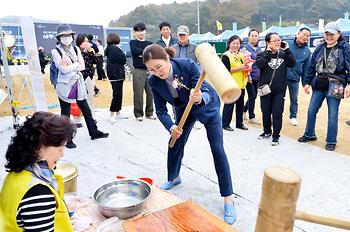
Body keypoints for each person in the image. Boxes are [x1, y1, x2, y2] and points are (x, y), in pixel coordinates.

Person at [143, 44, 237, 225]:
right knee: (175, 141)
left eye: (159, 67)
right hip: (182, 111)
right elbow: (161, 111)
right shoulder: (153, 81)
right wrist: (172, 127)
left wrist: (201, 98)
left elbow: (208, 91)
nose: (157, 72)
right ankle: (174, 177)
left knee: (217, 150)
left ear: (167, 59)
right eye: (151, 70)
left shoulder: (186, 65)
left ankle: (228, 198)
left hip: (206, 109)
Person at [0, 111, 76, 231]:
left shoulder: (18, 172)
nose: (62, 155)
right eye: (60, 149)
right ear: (38, 148)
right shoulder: (38, 193)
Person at [52, 23, 108, 149]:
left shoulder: (76, 49)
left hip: (78, 82)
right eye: (63, 35)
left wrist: (70, 66)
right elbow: (63, 70)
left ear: (72, 36)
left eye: (68, 35)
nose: (67, 37)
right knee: (65, 112)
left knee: (86, 109)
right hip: (65, 84)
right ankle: (67, 139)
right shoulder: (55, 51)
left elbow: (81, 66)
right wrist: (74, 65)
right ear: (59, 38)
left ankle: (94, 132)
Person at [298, 22, 350, 151]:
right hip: (319, 83)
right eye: (327, 34)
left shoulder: (345, 47)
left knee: (333, 114)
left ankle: (331, 140)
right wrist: (307, 82)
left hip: (336, 83)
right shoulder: (320, 47)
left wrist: (349, 84)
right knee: (311, 110)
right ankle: (309, 134)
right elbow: (311, 66)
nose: (329, 37)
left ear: (338, 34)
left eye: (332, 34)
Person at [255, 32, 296, 146]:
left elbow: (292, 63)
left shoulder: (283, 54)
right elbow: (260, 64)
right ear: (268, 43)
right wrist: (268, 53)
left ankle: (276, 136)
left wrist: (287, 50)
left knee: (277, 113)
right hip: (265, 89)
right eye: (275, 40)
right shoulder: (261, 54)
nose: (278, 42)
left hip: (280, 90)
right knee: (266, 112)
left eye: (279, 40)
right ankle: (267, 131)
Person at [221, 35, 250, 131]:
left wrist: (247, 69)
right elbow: (226, 70)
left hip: (241, 84)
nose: (236, 45)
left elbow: (244, 67)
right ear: (229, 44)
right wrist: (241, 68)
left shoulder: (241, 55)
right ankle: (225, 123)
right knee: (229, 104)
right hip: (231, 85)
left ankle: (239, 123)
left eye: (238, 43)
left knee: (240, 105)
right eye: (234, 43)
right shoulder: (226, 55)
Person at [129, 22, 156, 121]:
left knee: (151, 92)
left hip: (150, 70)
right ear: (135, 32)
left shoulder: (149, 43)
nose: (141, 33)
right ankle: (138, 113)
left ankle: (149, 112)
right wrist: (145, 52)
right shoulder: (133, 42)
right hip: (138, 70)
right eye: (138, 31)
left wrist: (142, 53)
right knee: (138, 93)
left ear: (145, 31)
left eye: (142, 31)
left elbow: (151, 53)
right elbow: (135, 51)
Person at [287, 27, 311, 126]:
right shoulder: (287, 44)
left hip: (295, 78)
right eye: (303, 34)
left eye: (307, 36)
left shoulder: (307, 51)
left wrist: (305, 84)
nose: (305, 37)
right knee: (278, 98)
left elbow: (306, 69)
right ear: (298, 34)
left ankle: (293, 116)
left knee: (294, 99)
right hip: (282, 76)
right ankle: (275, 115)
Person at [105, 33, 128, 123]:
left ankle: (117, 112)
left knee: (118, 94)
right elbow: (123, 59)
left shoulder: (109, 48)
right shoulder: (114, 48)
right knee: (117, 94)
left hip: (115, 74)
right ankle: (112, 113)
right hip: (116, 74)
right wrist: (120, 50)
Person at [76, 34, 98, 121]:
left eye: (87, 41)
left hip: (89, 77)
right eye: (85, 41)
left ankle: (92, 117)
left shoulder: (89, 51)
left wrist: (91, 51)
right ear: (80, 42)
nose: (87, 43)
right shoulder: (75, 51)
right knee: (78, 99)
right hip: (79, 78)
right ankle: (77, 118)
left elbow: (95, 61)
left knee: (90, 98)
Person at [242, 28, 262, 125]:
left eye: (256, 36)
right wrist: (248, 75)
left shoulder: (259, 49)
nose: (254, 37)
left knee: (253, 97)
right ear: (249, 37)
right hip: (248, 76)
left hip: (257, 76)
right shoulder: (245, 49)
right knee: (252, 96)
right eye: (252, 35)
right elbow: (244, 62)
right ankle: (252, 117)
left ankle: (244, 109)